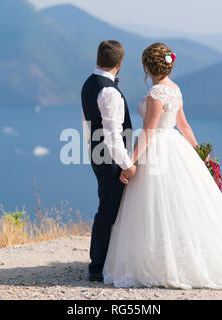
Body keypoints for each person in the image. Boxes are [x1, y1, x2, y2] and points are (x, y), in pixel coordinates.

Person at [102, 42, 222, 289]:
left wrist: (129, 162)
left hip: (159, 151)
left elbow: (150, 131)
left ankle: (162, 261)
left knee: (156, 206)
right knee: (178, 205)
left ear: (146, 68)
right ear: (168, 64)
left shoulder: (155, 95)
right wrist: (199, 153)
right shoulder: (174, 89)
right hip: (176, 147)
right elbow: (183, 125)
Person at [81, 40, 136, 282]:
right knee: (108, 210)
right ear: (120, 63)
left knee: (108, 206)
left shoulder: (89, 83)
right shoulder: (109, 92)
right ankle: (98, 266)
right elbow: (113, 136)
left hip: (98, 153)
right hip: (111, 157)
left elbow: (88, 124)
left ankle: (105, 261)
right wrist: (127, 164)